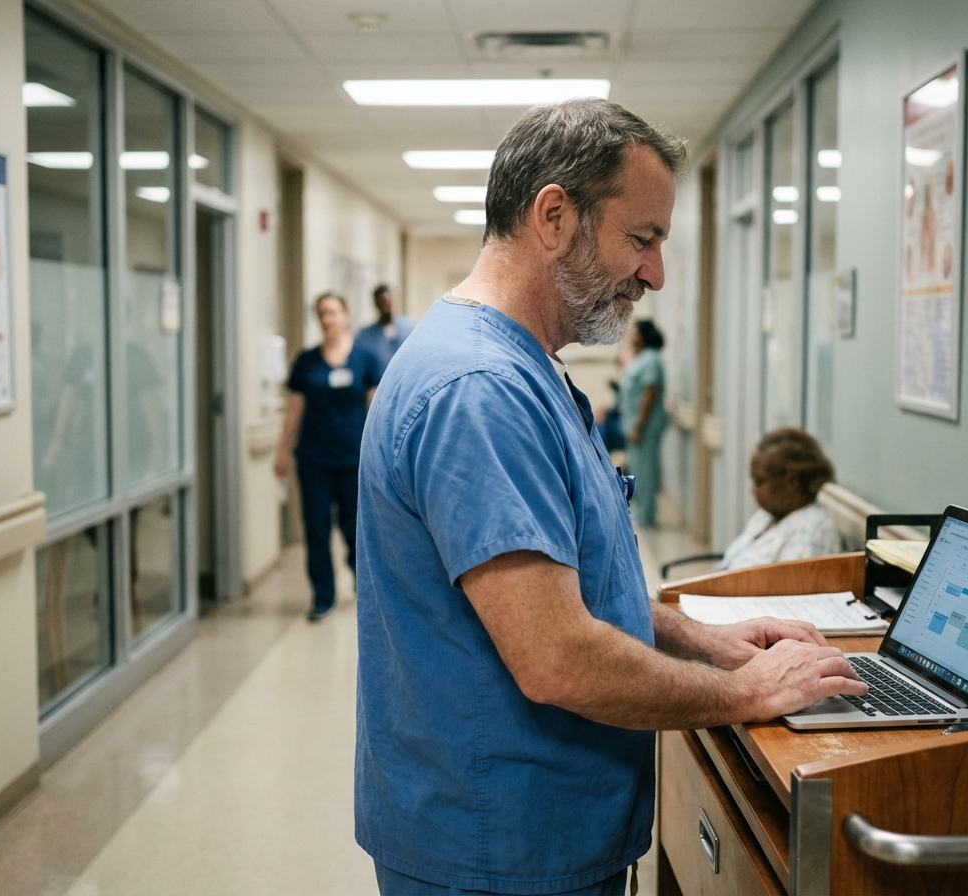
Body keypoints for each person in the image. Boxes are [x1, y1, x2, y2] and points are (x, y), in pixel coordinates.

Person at [354, 98, 865, 895]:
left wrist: (702, 640)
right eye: (643, 238)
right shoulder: (480, 390)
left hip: (528, 832)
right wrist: (744, 691)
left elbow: (568, 580)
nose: (656, 274)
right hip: (499, 851)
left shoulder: (522, 368)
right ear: (553, 215)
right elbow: (556, 657)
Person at [275, 293, 381, 621]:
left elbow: (376, 409)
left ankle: (364, 586)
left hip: (354, 460)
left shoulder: (366, 358)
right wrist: (282, 452)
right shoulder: (306, 361)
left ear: (346, 315)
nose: (327, 319)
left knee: (355, 529)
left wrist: (380, 454)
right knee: (316, 528)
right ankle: (323, 596)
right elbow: (294, 410)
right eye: (321, 313)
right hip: (314, 460)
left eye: (333, 312)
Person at [719, 428, 843, 571]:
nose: (753, 490)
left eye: (759, 481)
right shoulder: (768, 516)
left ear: (791, 480)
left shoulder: (815, 531)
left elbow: (793, 589)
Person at [620, 318, 667, 525]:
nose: (632, 336)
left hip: (644, 426)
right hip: (634, 424)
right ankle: (641, 510)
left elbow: (650, 394)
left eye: (636, 333)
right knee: (638, 467)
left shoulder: (652, 359)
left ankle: (647, 515)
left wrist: (639, 427)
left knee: (645, 471)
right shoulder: (641, 358)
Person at [354, 283, 414, 375]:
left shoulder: (409, 328)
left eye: (390, 300)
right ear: (376, 304)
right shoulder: (365, 335)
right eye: (382, 302)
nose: (387, 305)